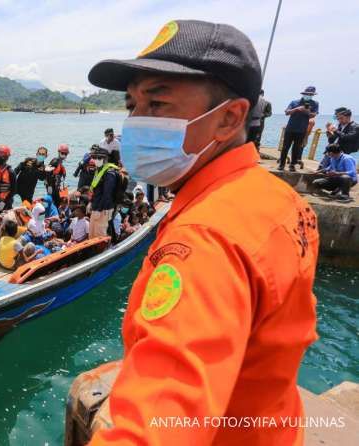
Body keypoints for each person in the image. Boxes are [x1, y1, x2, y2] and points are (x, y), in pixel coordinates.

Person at [86, 19, 318, 445]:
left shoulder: (203, 238)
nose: (135, 122)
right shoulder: (279, 199)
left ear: (229, 117)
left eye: (157, 105)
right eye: (131, 105)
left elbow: (155, 429)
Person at [279, 86, 319, 171]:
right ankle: (281, 164)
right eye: (307, 94)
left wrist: (307, 111)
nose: (308, 95)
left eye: (310, 94)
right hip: (290, 129)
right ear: (303, 93)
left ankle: (292, 165)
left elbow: (313, 115)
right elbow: (287, 112)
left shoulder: (315, 104)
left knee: (296, 148)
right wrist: (297, 109)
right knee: (285, 147)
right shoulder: (294, 102)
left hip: (301, 130)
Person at [88, 146, 118, 238]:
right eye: (95, 157)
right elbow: (96, 190)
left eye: (99, 158)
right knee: (92, 232)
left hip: (103, 209)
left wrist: (100, 210)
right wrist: (91, 203)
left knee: (100, 235)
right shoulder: (99, 170)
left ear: (105, 159)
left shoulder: (109, 173)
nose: (96, 160)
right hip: (96, 206)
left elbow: (107, 195)